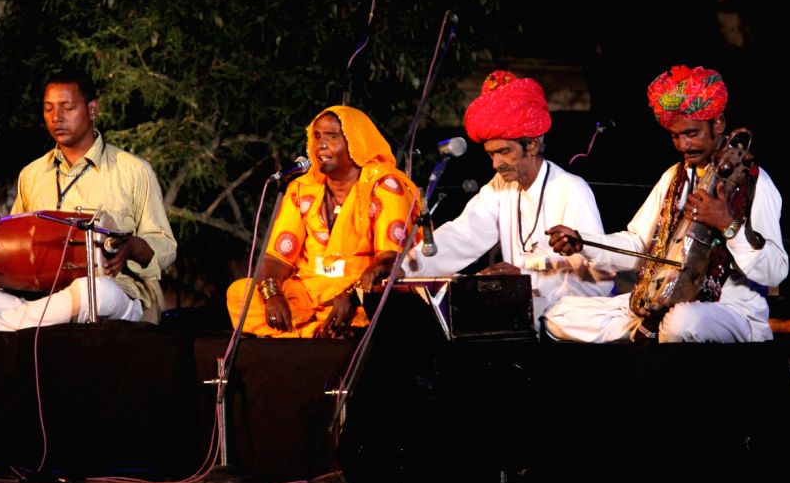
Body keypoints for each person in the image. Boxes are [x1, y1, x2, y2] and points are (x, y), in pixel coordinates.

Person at [546, 64, 788, 343]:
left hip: (729, 311)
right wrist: (583, 242)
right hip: (664, 300)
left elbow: (777, 271)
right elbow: (639, 245)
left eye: (692, 133)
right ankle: (646, 333)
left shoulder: (753, 180)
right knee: (560, 315)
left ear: (717, 124)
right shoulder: (674, 176)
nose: (683, 145)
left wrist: (727, 225)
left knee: (681, 322)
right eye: (676, 136)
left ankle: (648, 335)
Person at [0, 73, 177, 331]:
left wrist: (131, 247)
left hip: (112, 295)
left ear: (92, 109)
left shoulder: (134, 171)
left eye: (68, 107)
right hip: (42, 298)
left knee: (91, 290)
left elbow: (166, 247)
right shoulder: (32, 174)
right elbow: (17, 240)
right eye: (48, 108)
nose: (56, 117)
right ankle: (26, 318)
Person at [404, 70, 614, 332]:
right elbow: (461, 236)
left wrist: (525, 281)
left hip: (567, 330)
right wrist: (401, 269)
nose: (496, 164)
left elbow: (597, 279)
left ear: (533, 146)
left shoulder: (570, 190)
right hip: (517, 319)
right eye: (491, 154)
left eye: (504, 151)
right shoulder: (500, 186)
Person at [226, 106, 419, 338]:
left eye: (332, 137)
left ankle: (312, 333)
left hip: (357, 295)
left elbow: (392, 258)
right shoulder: (302, 188)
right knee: (240, 295)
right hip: (307, 296)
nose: (321, 145)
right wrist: (272, 294)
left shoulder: (384, 186)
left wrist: (353, 294)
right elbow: (275, 259)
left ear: (355, 143)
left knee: (379, 305)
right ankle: (317, 332)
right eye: (317, 136)